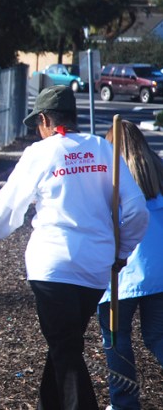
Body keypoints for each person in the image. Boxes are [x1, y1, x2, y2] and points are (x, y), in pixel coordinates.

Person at [0, 85, 149, 409]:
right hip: (95, 269)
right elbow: (137, 210)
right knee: (64, 344)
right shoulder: (101, 148)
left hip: (52, 266)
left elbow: (9, 205)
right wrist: (120, 252)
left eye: (37, 126)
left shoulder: (40, 153)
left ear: (44, 119)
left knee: (65, 349)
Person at [98, 119, 163, 410]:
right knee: (157, 335)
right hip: (159, 269)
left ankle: (124, 402)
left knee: (116, 337)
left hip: (122, 273)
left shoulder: (112, 177)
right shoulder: (157, 170)